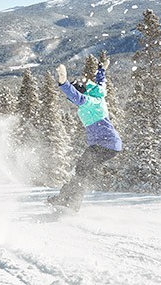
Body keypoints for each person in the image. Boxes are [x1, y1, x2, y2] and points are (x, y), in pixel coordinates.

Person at [49, 59, 122, 211]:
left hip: (105, 144)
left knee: (82, 170)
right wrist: (101, 70)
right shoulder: (97, 95)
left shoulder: (90, 102)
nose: (72, 102)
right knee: (82, 170)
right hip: (108, 144)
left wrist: (63, 83)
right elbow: (101, 83)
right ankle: (66, 199)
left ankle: (71, 203)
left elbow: (78, 97)